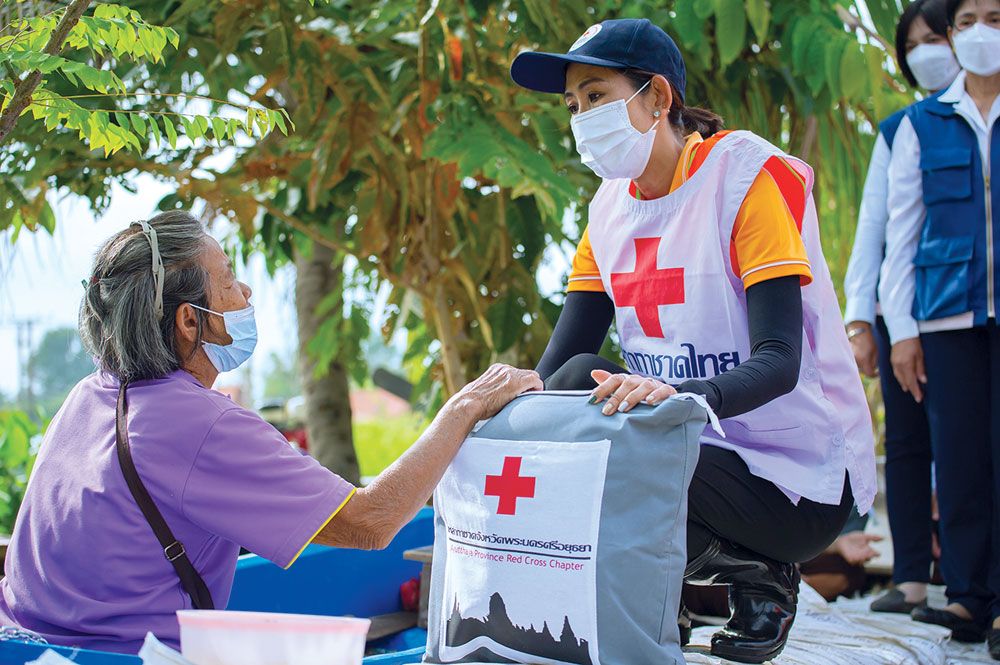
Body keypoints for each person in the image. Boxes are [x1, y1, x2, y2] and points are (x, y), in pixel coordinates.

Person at [0, 211, 542, 653]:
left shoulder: (89, 395)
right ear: (191, 320)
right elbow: (371, 523)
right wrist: (464, 407)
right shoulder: (199, 425)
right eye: (231, 280)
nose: (247, 292)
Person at [511, 18, 877, 664]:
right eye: (572, 105)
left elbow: (780, 362)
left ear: (657, 97)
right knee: (572, 389)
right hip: (689, 452)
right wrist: (499, 409)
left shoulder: (742, 181)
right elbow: (560, 368)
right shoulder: (607, 213)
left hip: (795, 476)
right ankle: (663, 593)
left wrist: (677, 395)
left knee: (627, 458)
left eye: (596, 96)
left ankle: (764, 573)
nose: (580, 117)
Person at [879, 0, 1000, 654]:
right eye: (971, 18)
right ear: (954, 35)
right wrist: (901, 330)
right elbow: (903, 235)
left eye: (997, 15)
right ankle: (966, 593)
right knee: (957, 460)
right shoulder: (921, 124)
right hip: (945, 313)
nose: (983, 31)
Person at [842, 0, 959, 615]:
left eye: (935, 36)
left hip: (962, 315)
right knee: (910, 446)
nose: (927, 52)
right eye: (912, 44)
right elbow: (872, 232)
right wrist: (860, 319)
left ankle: (967, 580)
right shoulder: (901, 129)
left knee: (967, 443)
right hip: (898, 314)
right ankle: (912, 575)